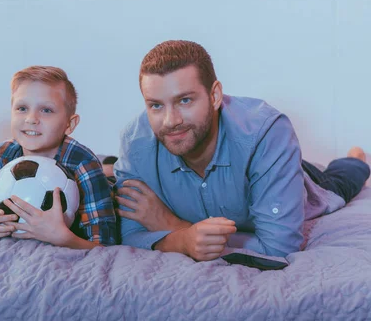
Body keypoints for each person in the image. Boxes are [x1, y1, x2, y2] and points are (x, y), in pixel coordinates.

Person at [115, 40, 370, 261]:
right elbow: (129, 235)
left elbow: (279, 248)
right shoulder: (136, 142)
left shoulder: (267, 133)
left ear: (214, 96)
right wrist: (183, 239)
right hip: (269, 168)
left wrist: (177, 229)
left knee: (342, 180)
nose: (170, 120)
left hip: (306, 179)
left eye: (185, 100)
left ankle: (355, 158)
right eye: (156, 105)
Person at [0, 66, 118, 248]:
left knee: (117, 189)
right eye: (22, 108)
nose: (31, 118)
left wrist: (63, 238)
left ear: (70, 123)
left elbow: (105, 245)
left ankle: (110, 171)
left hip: (98, 184)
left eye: (46, 110)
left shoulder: (83, 162)